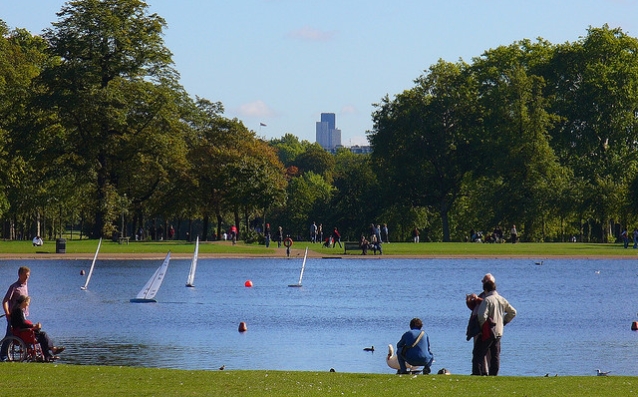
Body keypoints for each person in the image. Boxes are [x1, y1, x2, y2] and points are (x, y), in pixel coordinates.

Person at [473, 276, 517, 376]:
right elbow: (513, 312)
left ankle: (477, 373)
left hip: (488, 331)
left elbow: (482, 315)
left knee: (478, 354)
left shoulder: (487, 300)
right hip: (499, 331)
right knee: (495, 355)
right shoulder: (502, 299)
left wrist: (483, 326)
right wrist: (504, 321)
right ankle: (494, 374)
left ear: (486, 289)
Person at [11, 295, 64, 361]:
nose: (28, 304)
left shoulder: (17, 310)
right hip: (22, 332)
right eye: (28, 302)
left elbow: (22, 323)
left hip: (23, 331)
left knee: (42, 336)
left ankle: (49, 353)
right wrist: (33, 326)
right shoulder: (18, 311)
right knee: (43, 335)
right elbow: (22, 324)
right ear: (24, 302)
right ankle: (51, 351)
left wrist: (34, 326)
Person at [466, 273, 495, 375]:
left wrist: (477, 299)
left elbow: (488, 305)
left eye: (485, 281)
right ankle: (481, 371)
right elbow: (475, 308)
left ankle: (487, 372)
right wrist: (470, 301)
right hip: (478, 327)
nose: (483, 283)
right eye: (483, 281)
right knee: (478, 351)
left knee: (489, 352)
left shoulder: (492, 296)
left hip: (487, 328)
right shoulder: (482, 294)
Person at [1, 266, 30, 359]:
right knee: (10, 335)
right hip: (14, 316)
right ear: (20, 275)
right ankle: (3, 356)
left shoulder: (25, 285)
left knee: (26, 334)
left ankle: (28, 353)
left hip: (23, 315)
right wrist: (7, 313)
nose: (27, 278)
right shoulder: (14, 287)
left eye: (28, 276)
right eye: (25, 276)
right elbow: (5, 301)